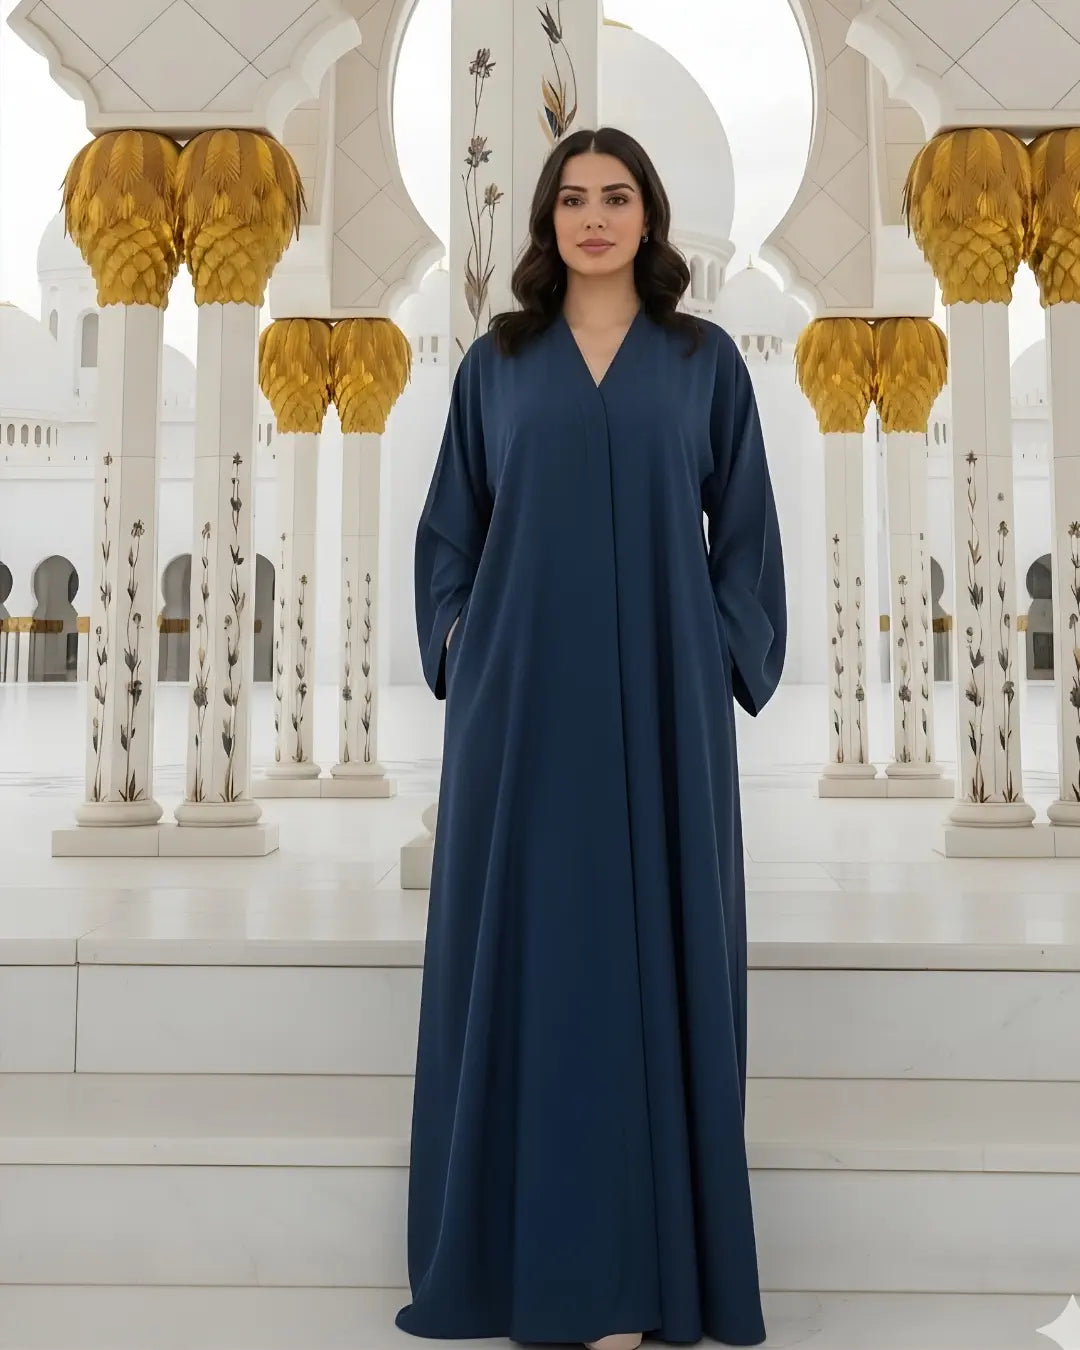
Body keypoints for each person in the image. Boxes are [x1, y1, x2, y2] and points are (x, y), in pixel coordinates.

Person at [398, 125, 786, 1350]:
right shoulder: (498, 365)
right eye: (574, 198)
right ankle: (538, 1269)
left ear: (652, 217)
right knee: (540, 965)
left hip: (665, 710)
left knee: (653, 961)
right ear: (547, 223)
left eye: (617, 197)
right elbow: (449, 531)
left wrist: (718, 654)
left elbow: (750, 538)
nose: (596, 217)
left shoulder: (702, 360)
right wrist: (465, 646)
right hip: (522, 718)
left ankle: (640, 1278)